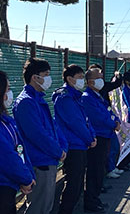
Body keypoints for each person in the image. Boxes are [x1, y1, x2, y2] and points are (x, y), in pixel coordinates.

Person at [13, 58, 68, 214]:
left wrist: (63, 148)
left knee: (46, 206)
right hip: (40, 162)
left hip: (48, 159)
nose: (48, 78)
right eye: (46, 74)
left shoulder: (38, 100)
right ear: (34, 77)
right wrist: (58, 151)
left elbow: (54, 128)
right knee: (39, 207)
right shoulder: (26, 102)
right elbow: (37, 135)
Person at [52, 65, 97, 214]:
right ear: (70, 79)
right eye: (79, 78)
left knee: (78, 184)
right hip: (73, 145)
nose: (82, 81)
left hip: (81, 144)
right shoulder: (64, 97)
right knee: (73, 184)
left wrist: (91, 135)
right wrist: (89, 138)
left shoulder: (76, 96)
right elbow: (75, 123)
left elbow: (85, 120)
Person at [0, 70, 36, 214]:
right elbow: (5, 156)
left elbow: (19, 148)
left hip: (8, 185)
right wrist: (25, 177)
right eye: (7, 89)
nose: (9, 94)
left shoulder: (3, 118)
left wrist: (27, 175)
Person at [82, 68, 120, 213]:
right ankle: (91, 202)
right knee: (94, 171)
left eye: (102, 77)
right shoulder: (87, 97)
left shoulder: (98, 96)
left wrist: (115, 121)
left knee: (99, 171)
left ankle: (95, 199)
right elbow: (98, 118)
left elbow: (108, 111)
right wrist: (113, 123)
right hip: (97, 137)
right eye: (99, 77)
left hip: (105, 135)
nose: (101, 80)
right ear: (90, 81)